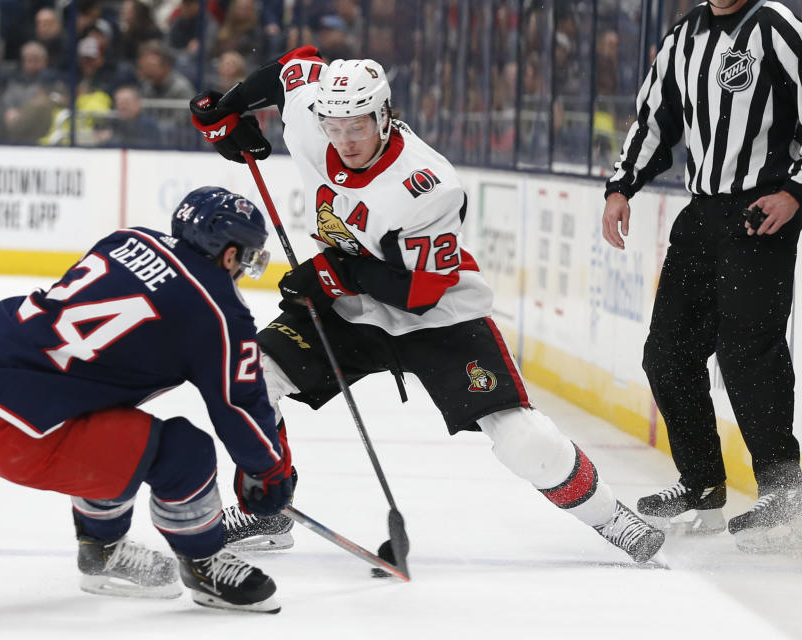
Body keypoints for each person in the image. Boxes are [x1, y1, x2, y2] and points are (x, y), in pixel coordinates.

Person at [188, 46, 666, 563]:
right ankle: (268, 509)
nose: (345, 139)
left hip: (438, 317)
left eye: (359, 125)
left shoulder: (427, 185)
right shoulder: (311, 119)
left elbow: (420, 293)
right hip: (350, 308)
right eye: (335, 125)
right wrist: (227, 110)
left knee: (522, 441)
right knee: (251, 378)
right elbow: (294, 65)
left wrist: (331, 273)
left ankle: (611, 518)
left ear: (385, 114)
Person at [0, 187, 293, 613]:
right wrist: (269, 470)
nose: (243, 267)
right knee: (185, 453)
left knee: (124, 432)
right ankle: (203, 564)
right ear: (228, 253)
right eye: (246, 255)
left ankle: (102, 552)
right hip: (24, 435)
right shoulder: (219, 311)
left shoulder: (128, 239)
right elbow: (238, 404)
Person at [601, 0, 802, 552]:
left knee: (748, 352)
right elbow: (653, 118)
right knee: (666, 355)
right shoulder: (683, 34)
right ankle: (703, 487)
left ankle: (786, 497)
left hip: (762, 211)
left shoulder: (773, 24)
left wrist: (795, 191)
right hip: (703, 212)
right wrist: (621, 187)